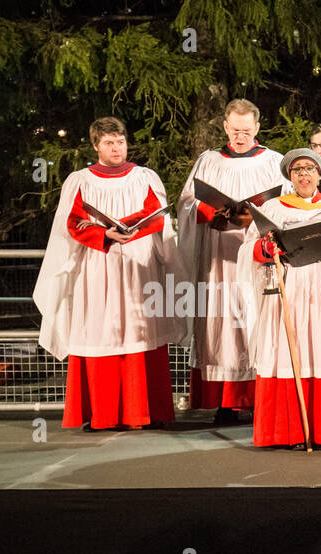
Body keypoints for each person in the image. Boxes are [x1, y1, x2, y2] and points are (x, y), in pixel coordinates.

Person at [34, 116, 184, 432]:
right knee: (99, 332)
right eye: (108, 143)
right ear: (95, 146)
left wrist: (129, 228)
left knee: (141, 330)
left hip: (138, 267)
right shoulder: (81, 180)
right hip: (96, 267)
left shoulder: (145, 177)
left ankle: (145, 412)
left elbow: (157, 218)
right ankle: (102, 414)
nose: (116, 148)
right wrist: (106, 234)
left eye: (120, 142)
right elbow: (72, 222)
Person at [236, 148, 321, 449]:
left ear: (319, 174)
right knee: (287, 353)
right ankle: (289, 432)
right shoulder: (274, 209)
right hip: (288, 291)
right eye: (297, 170)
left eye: (309, 168)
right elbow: (248, 251)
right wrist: (266, 250)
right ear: (290, 177)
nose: (304, 175)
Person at [176, 99, 283, 425]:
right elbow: (186, 204)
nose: (240, 137)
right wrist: (211, 212)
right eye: (235, 131)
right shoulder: (209, 161)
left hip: (257, 256)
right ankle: (227, 402)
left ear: (257, 129)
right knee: (222, 321)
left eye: (246, 131)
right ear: (224, 127)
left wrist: (253, 216)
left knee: (256, 318)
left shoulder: (273, 161)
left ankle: (261, 398)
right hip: (218, 256)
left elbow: (285, 203)